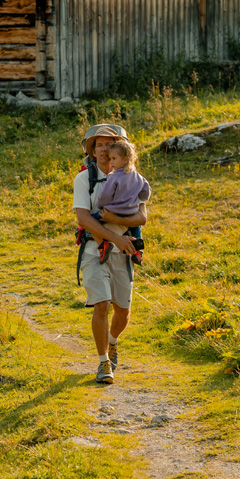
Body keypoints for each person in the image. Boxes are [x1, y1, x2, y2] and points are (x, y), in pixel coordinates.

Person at [73, 123, 149, 386]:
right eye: (99, 144)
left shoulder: (133, 178)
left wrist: (115, 220)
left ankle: (113, 342)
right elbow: (83, 217)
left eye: (110, 144)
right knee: (101, 304)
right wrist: (115, 235)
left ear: (122, 149)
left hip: (123, 252)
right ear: (92, 151)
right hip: (94, 250)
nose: (104, 149)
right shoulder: (84, 179)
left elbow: (142, 216)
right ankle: (104, 361)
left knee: (123, 311)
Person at [94, 138, 150, 262]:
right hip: (131, 212)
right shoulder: (138, 176)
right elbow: (146, 192)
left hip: (114, 210)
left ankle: (103, 244)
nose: (111, 162)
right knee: (136, 226)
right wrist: (139, 197)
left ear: (125, 159)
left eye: (114, 159)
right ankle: (138, 251)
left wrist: (101, 205)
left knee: (91, 222)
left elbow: (106, 195)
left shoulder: (113, 176)